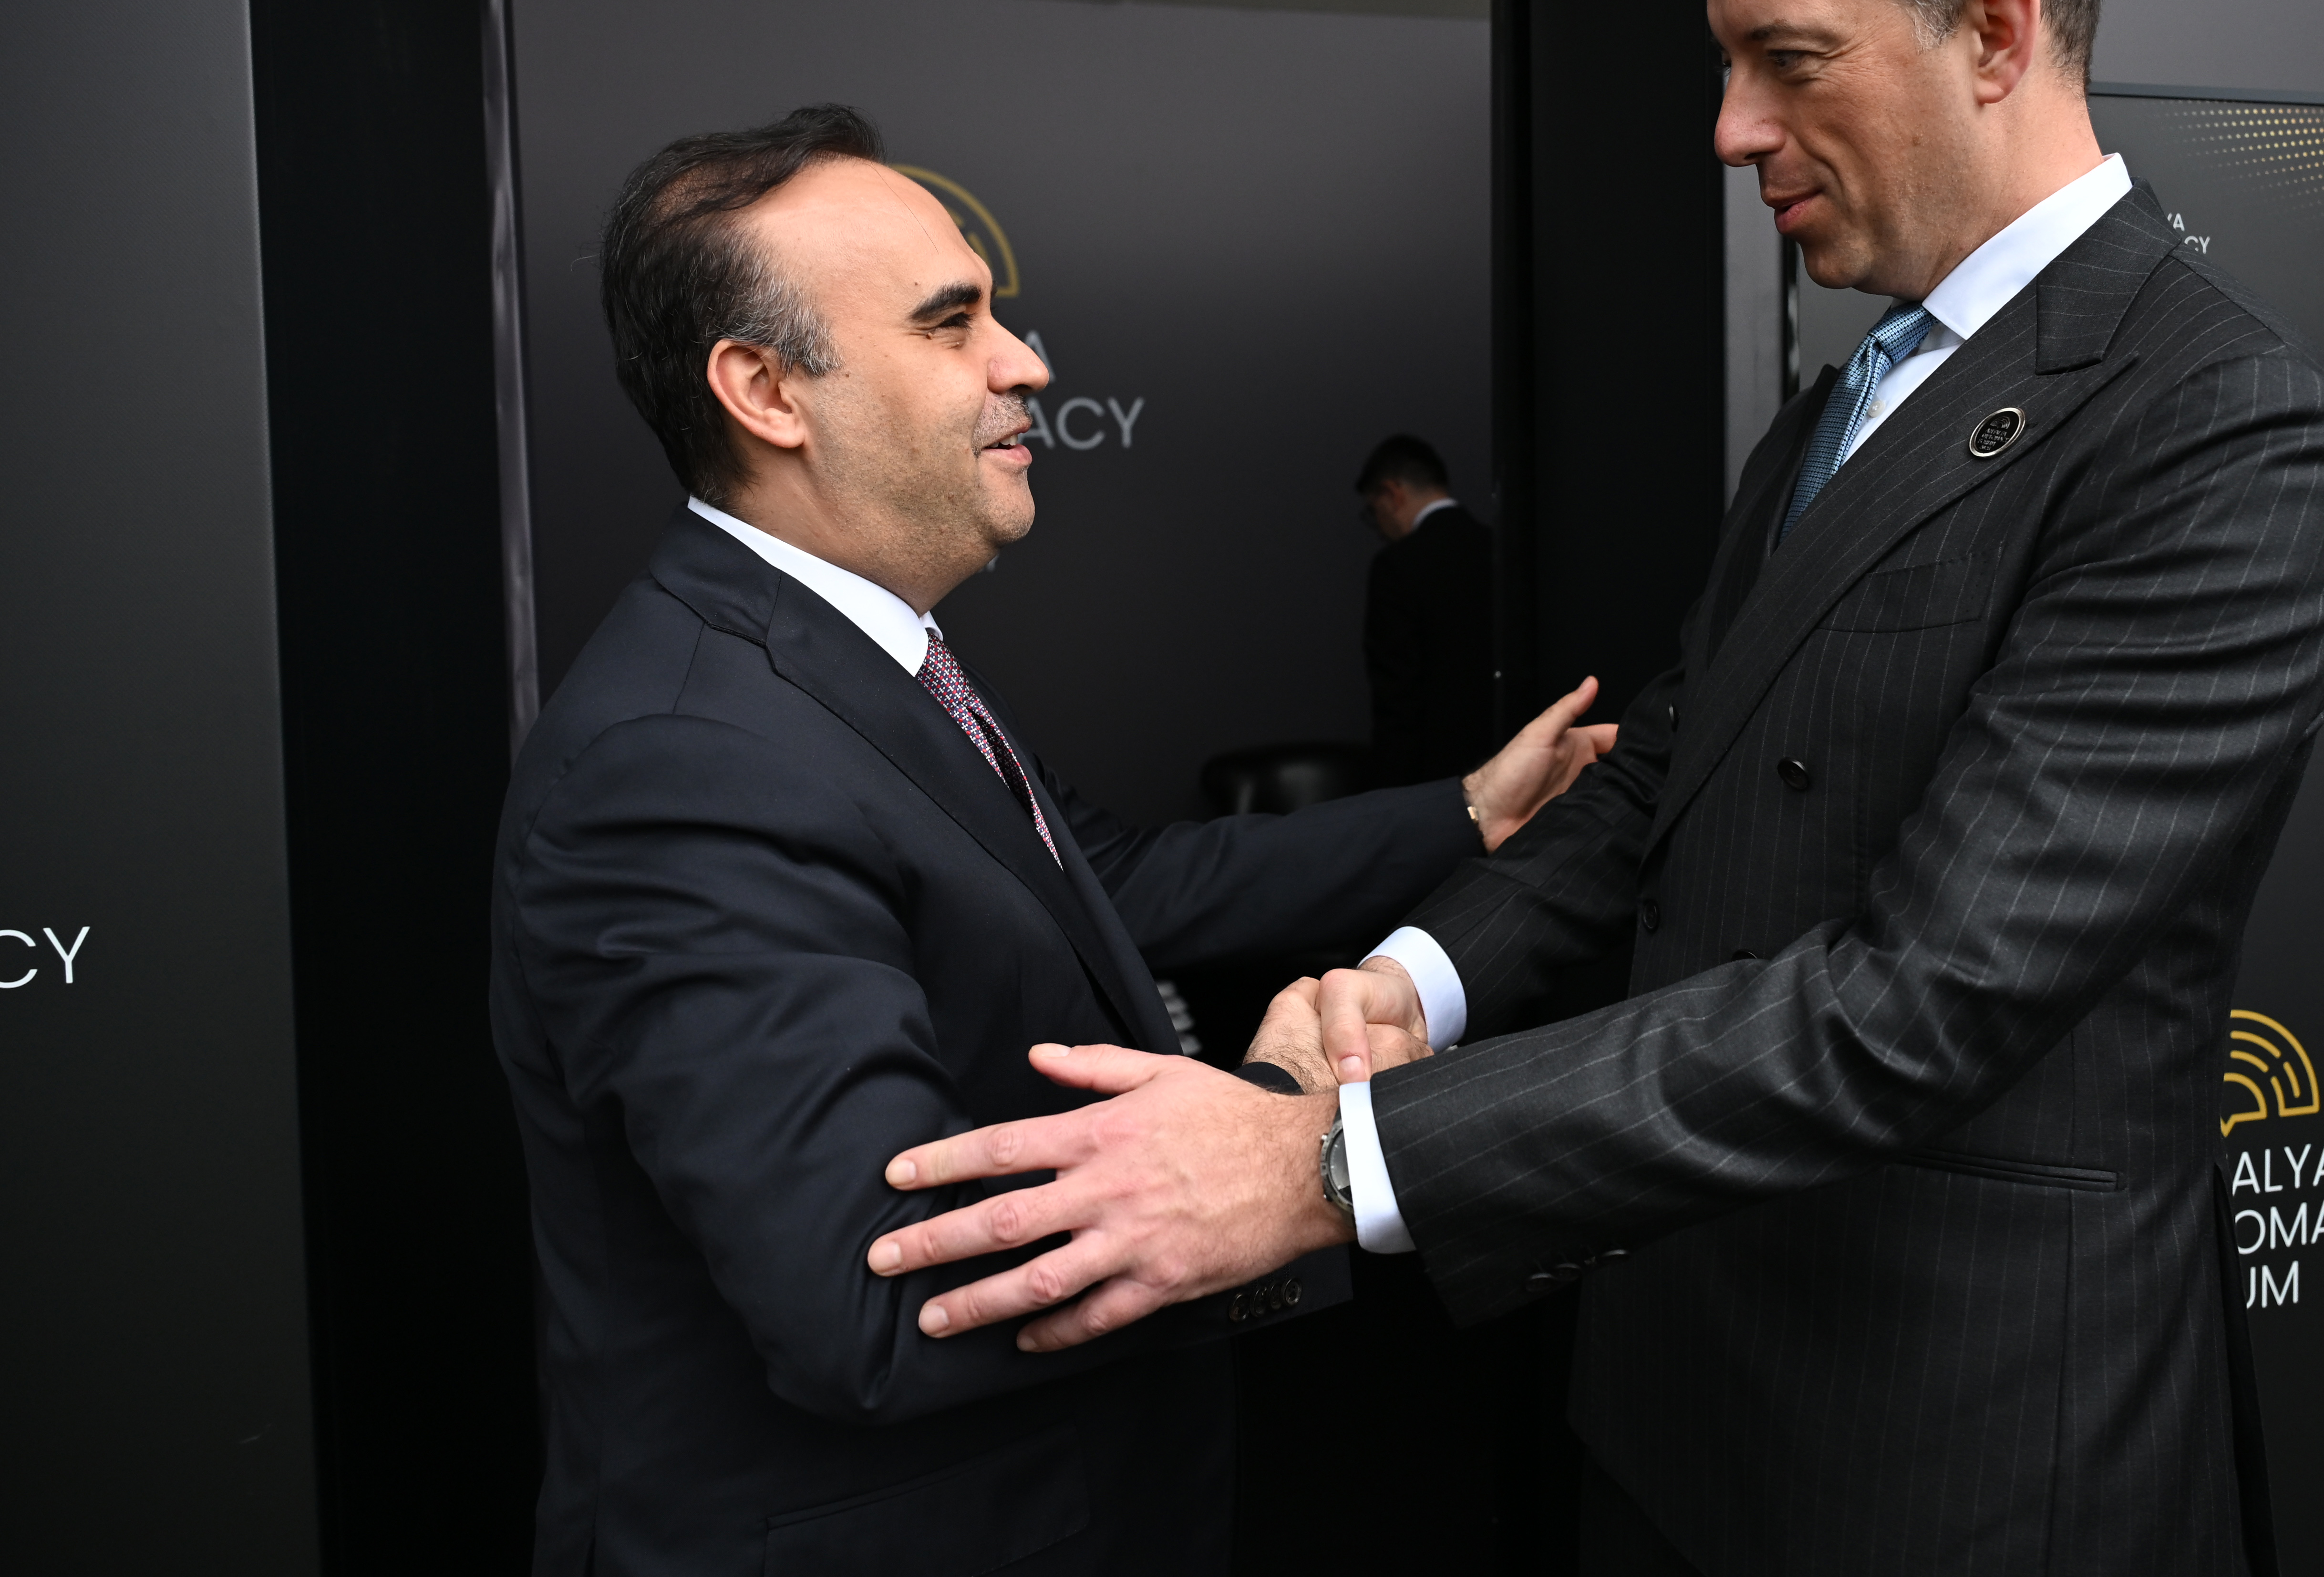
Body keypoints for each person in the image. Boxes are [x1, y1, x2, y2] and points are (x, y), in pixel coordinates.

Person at [860, 0, 2324, 1577]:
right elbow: (1664, 771)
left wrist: (1329, 1160)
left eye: (1784, 61)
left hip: (1952, 1448)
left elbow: (1928, 999)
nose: (1728, 130)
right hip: (1677, 1391)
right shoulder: (1840, 404)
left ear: (1992, 31)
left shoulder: (2215, 426)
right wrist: (1414, 984)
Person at [486, 104, 1612, 1575]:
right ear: (767, 391)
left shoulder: (862, 660)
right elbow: (878, 1296)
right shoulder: (686, 759)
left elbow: (1118, 883)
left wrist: (1469, 812)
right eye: (951, 323)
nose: (1026, 362)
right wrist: (1278, 1116)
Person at [1354, 433, 1498, 783]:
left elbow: (1397, 701)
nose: (1380, 529)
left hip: (1435, 777)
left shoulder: (1397, 566)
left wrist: (1389, 793)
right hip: (1507, 762)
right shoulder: (1501, 550)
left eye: (1374, 512)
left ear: (1392, 494)